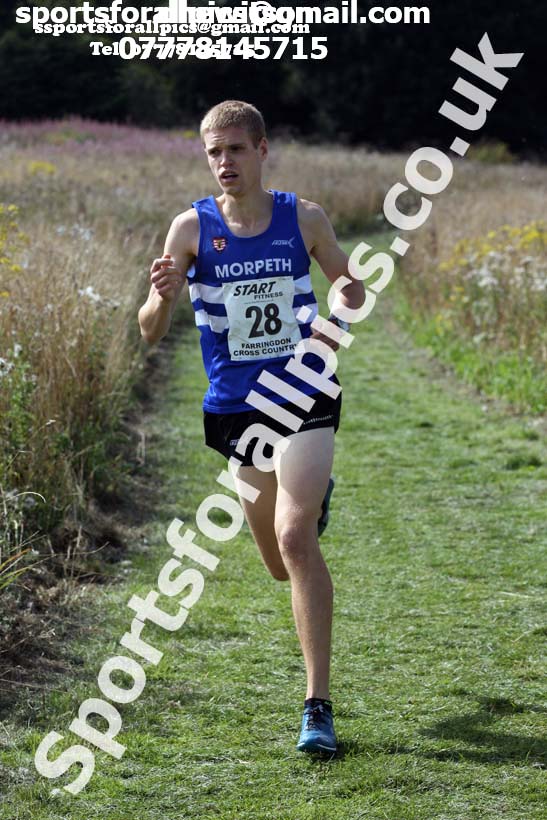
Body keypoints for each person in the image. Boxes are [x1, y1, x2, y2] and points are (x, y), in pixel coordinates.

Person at [138, 100, 365, 754]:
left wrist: (338, 313)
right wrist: (161, 295)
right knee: (274, 563)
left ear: (262, 150)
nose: (224, 162)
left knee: (294, 539)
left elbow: (348, 285)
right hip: (236, 409)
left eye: (236, 149)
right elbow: (149, 332)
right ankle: (311, 505)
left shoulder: (305, 218)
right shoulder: (188, 230)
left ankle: (316, 705)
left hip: (303, 391)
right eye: (213, 152)